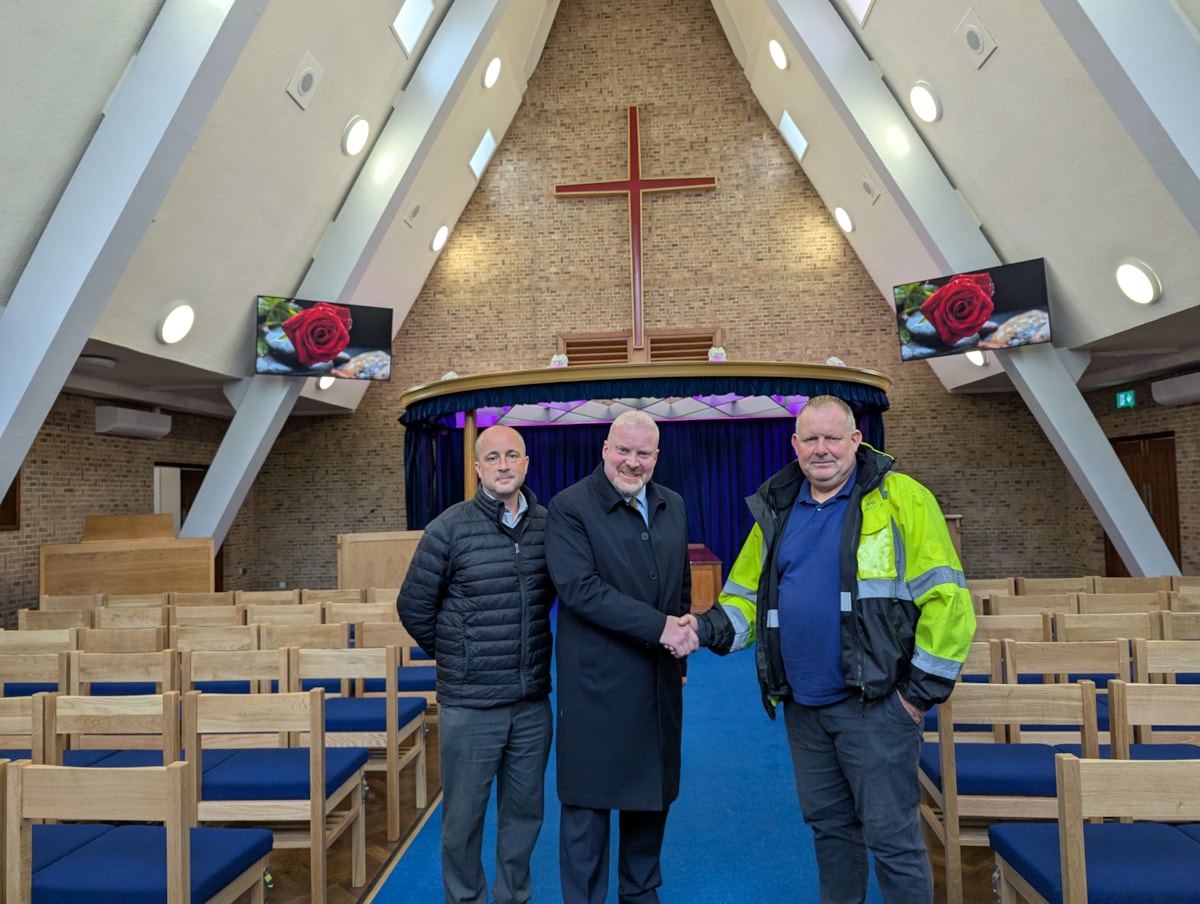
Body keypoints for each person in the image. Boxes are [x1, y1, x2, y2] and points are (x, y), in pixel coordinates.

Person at [684, 395, 976, 904]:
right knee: (831, 832)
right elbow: (744, 598)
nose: (822, 450)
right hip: (805, 706)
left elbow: (948, 600)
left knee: (893, 841)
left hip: (878, 707)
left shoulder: (901, 498)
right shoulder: (777, 508)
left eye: (832, 438)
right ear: (795, 445)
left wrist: (916, 695)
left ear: (856, 441)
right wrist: (699, 630)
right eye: (811, 439)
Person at [397, 424, 555, 904]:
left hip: (531, 703)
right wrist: (460, 654)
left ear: (526, 463)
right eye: (493, 457)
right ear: (478, 468)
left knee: (525, 816)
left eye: (512, 456)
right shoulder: (448, 528)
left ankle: (513, 897)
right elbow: (413, 607)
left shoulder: (549, 526)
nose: (503, 465)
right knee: (463, 822)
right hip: (470, 705)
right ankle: (465, 900)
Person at [546, 410, 697, 904]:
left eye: (644, 453)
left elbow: (679, 589)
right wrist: (662, 630)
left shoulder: (672, 504)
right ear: (605, 449)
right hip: (596, 686)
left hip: (657, 679)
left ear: (657, 456)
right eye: (624, 451)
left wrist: (679, 659)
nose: (632, 463)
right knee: (588, 809)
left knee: (651, 796)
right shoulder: (569, 507)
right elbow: (580, 590)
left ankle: (640, 892)